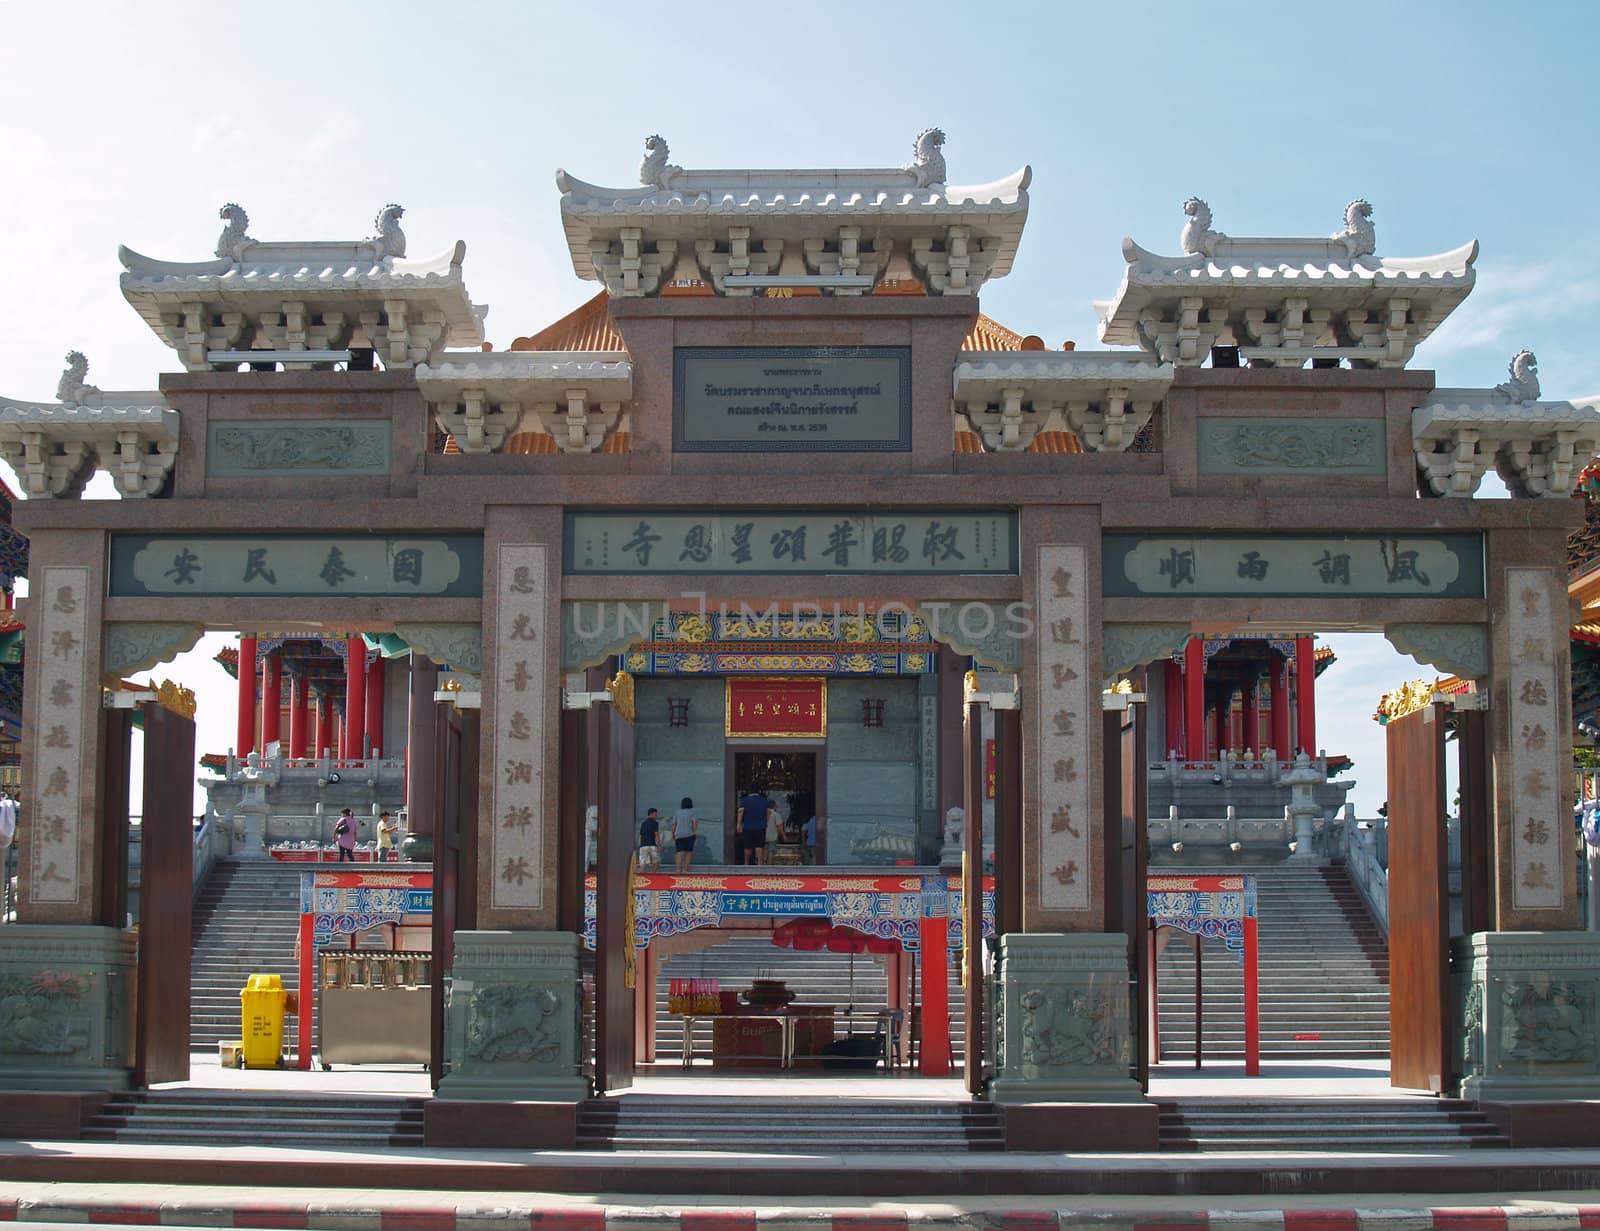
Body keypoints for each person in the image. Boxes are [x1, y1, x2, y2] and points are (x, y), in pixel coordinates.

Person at [736, 787, 769, 866]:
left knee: (747, 846)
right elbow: (768, 812)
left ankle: (746, 863)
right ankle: (760, 863)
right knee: (759, 845)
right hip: (761, 826)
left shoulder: (745, 800)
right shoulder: (764, 800)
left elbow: (740, 811)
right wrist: (765, 821)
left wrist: (739, 824)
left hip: (748, 826)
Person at [670, 797, 698, 871]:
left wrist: (673, 833)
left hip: (678, 835)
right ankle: (685, 869)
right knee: (689, 852)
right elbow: (695, 823)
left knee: (679, 852)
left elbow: (674, 824)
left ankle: (678, 869)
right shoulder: (692, 812)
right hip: (689, 834)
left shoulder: (677, 812)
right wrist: (694, 831)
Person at [638, 806, 661, 870]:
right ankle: (653, 876)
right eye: (655, 814)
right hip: (652, 845)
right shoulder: (655, 823)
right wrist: (659, 845)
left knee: (644, 863)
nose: (656, 816)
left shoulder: (643, 823)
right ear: (651, 814)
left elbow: (641, 834)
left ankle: (641, 876)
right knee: (656, 862)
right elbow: (656, 834)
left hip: (643, 846)